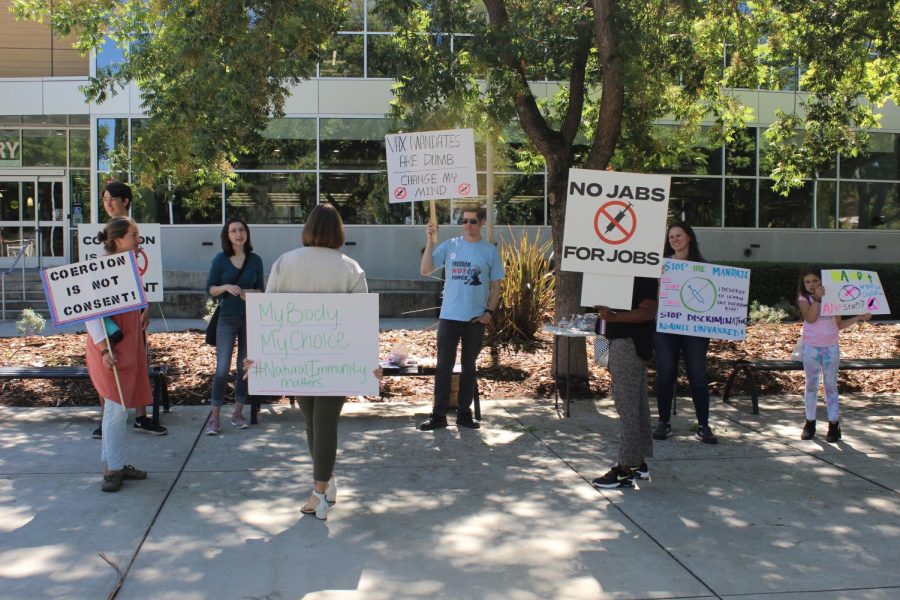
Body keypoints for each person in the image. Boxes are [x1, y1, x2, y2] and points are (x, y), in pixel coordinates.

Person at [258, 203, 369, 520]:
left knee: (311, 421)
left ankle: (321, 490)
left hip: (297, 354)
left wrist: (265, 358)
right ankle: (324, 485)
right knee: (323, 422)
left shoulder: (285, 262)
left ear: (307, 229)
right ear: (338, 232)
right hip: (337, 356)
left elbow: (270, 313)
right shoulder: (349, 267)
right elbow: (361, 321)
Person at [417, 206, 504, 431]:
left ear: (482, 222)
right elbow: (425, 270)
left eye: (473, 221)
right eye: (464, 221)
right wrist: (430, 241)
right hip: (449, 317)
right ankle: (438, 416)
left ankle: (464, 414)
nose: (468, 225)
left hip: (475, 319)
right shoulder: (450, 246)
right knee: (443, 367)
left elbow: (496, 287)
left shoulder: (489, 251)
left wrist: (489, 313)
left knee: (469, 367)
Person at [92, 181, 167, 437]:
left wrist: (146, 305)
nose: (107, 203)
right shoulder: (109, 249)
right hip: (112, 324)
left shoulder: (131, 234)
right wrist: (103, 344)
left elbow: (141, 277)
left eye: (111, 198)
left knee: (136, 362)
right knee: (113, 367)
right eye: (104, 199)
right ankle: (109, 418)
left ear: (125, 200)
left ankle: (139, 416)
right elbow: (93, 308)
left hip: (131, 317)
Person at [84, 217, 151, 492]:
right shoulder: (103, 268)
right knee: (114, 409)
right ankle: (112, 470)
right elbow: (91, 311)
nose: (138, 241)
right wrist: (102, 349)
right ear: (118, 240)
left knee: (118, 408)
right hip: (111, 347)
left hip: (126, 343)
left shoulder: (126, 266)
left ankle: (114, 462)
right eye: (134, 236)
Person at [652, 222, 718, 444]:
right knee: (666, 373)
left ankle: (703, 425)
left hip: (695, 330)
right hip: (667, 328)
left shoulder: (705, 266)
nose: (675, 240)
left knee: (697, 375)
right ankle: (663, 422)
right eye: (671, 237)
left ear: (689, 237)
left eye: (679, 235)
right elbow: (657, 297)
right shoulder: (663, 265)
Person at [591, 277, 658, 489]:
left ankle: (624, 470)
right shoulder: (617, 271)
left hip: (627, 344)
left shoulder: (644, 273)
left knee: (627, 406)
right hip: (618, 342)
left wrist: (614, 316)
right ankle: (638, 463)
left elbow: (648, 311)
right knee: (635, 405)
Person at [204, 218, 265, 435]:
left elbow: (262, 291)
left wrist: (250, 294)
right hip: (227, 319)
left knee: (244, 368)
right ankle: (214, 418)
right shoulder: (220, 260)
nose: (238, 234)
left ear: (247, 233)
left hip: (250, 319)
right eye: (233, 231)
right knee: (221, 369)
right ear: (227, 236)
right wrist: (226, 287)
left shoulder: (255, 260)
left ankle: (238, 413)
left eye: (242, 230)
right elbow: (209, 289)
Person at [796, 267, 871, 442]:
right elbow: (810, 318)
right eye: (808, 282)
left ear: (822, 281)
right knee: (811, 385)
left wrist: (858, 317)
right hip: (811, 348)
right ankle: (810, 422)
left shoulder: (834, 298)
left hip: (830, 347)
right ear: (803, 284)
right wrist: (816, 299)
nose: (812, 284)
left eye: (815, 281)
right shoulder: (804, 298)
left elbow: (839, 324)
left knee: (830, 385)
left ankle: (834, 424)